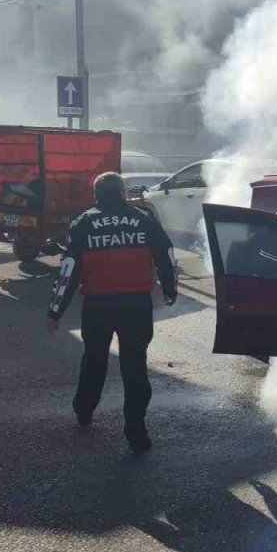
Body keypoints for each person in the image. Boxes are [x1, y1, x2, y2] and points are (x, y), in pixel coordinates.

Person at [47, 172, 177, 453]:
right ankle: (136, 431)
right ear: (122, 192)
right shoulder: (144, 219)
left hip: (98, 307)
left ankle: (84, 410)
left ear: (96, 194)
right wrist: (170, 290)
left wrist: (55, 311)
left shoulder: (83, 223)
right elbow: (166, 255)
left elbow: (68, 270)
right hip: (136, 306)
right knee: (135, 366)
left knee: (94, 360)